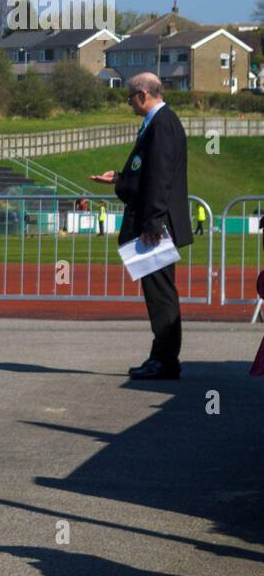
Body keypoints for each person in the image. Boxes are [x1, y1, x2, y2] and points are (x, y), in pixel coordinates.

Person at [89, 73, 191, 380]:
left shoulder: (162, 124)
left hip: (155, 224)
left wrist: (153, 221)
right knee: (158, 292)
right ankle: (162, 357)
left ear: (143, 95)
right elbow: (147, 174)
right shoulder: (159, 123)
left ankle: (164, 360)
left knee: (160, 294)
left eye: (130, 97)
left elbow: (160, 176)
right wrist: (121, 180)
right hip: (154, 220)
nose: (129, 103)